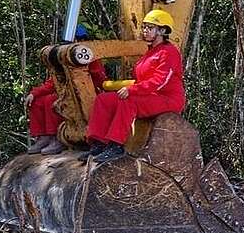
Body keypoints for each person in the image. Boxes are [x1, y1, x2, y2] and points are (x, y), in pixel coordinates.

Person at [83, 9, 185, 164]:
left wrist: (132, 90)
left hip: (167, 99)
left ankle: (116, 145)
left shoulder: (169, 52)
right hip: (149, 95)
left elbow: (160, 81)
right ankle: (99, 144)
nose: (145, 31)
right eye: (144, 27)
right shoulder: (150, 52)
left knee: (128, 101)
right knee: (104, 100)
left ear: (163, 31)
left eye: (150, 27)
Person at [26, 24, 107, 155]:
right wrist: (34, 93)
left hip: (85, 94)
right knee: (37, 101)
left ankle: (56, 137)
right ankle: (44, 136)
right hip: (67, 92)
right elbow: (53, 82)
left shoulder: (87, 55)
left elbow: (99, 79)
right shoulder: (65, 56)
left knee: (52, 101)